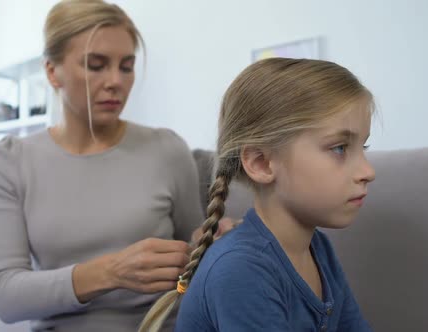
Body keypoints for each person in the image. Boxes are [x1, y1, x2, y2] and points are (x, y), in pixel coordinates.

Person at [0, 0, 227, 330]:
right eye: (96, 65)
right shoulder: (10, 161)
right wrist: (111, 272)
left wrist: (217, 241)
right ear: (52, 72)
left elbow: (192, 254)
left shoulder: (167, 148)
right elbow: (5, 295)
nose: (116, 81)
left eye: (126, 67)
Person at [140, 58, 377, 331]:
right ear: (261, 163)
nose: (367, 171)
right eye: (339, 148)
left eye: (364, 147)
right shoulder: (240, 270)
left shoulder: (318, 248)